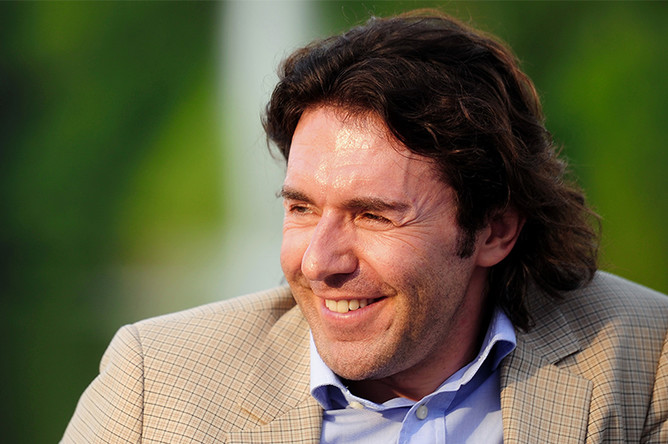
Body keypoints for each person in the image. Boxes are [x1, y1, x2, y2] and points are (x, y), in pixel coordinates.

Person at [62, 9, 668, 443]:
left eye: (372, 215)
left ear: (494, 230)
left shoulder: (645, 362)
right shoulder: (155, 386)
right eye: (301, 208)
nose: (318, 262)